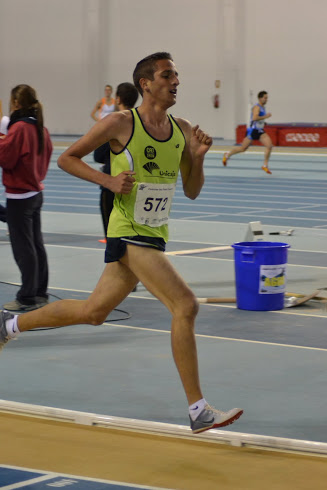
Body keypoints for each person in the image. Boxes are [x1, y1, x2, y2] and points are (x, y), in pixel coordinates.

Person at [0, 53, 243, 434]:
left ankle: (9, 326)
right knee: (186, 305)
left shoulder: (181, 128)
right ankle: (199, 410)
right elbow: (68, 158)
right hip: (128, 231)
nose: (176, 80)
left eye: (177, 74)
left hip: (154, 234)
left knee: (94, 311)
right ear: (146, 83)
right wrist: (109, 182)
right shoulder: (119, 123)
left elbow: (192, 191)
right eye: (167, 74)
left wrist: (197, 158)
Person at [0, 84, 53, 311]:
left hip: (20, 196)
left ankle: (27, 296)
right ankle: (40, 291)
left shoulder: (20, 128)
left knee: (24, 248)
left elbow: (7, 158)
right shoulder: (40, 128)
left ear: (15, 103)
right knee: (36, 244)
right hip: (35, 193)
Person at [94, 82, 139, 241]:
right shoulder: (142, 124)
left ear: (118, 99)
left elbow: (97, 156)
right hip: (135, 185)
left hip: (112, 183)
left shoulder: (114, 124)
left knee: (113, 237)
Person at [222, 90, 273, 174]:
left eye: (267, 98)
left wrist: (263, 121)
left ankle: (265, 165)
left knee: (269, 146)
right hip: (252, 131)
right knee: (243, 148)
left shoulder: (263, 107)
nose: (266, 99)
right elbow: (255, 118)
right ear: (260, 98)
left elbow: (258, 119)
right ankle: (227, 155)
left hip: (259, 130)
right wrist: (266, 116)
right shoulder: (257, 107)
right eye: (265, 98)